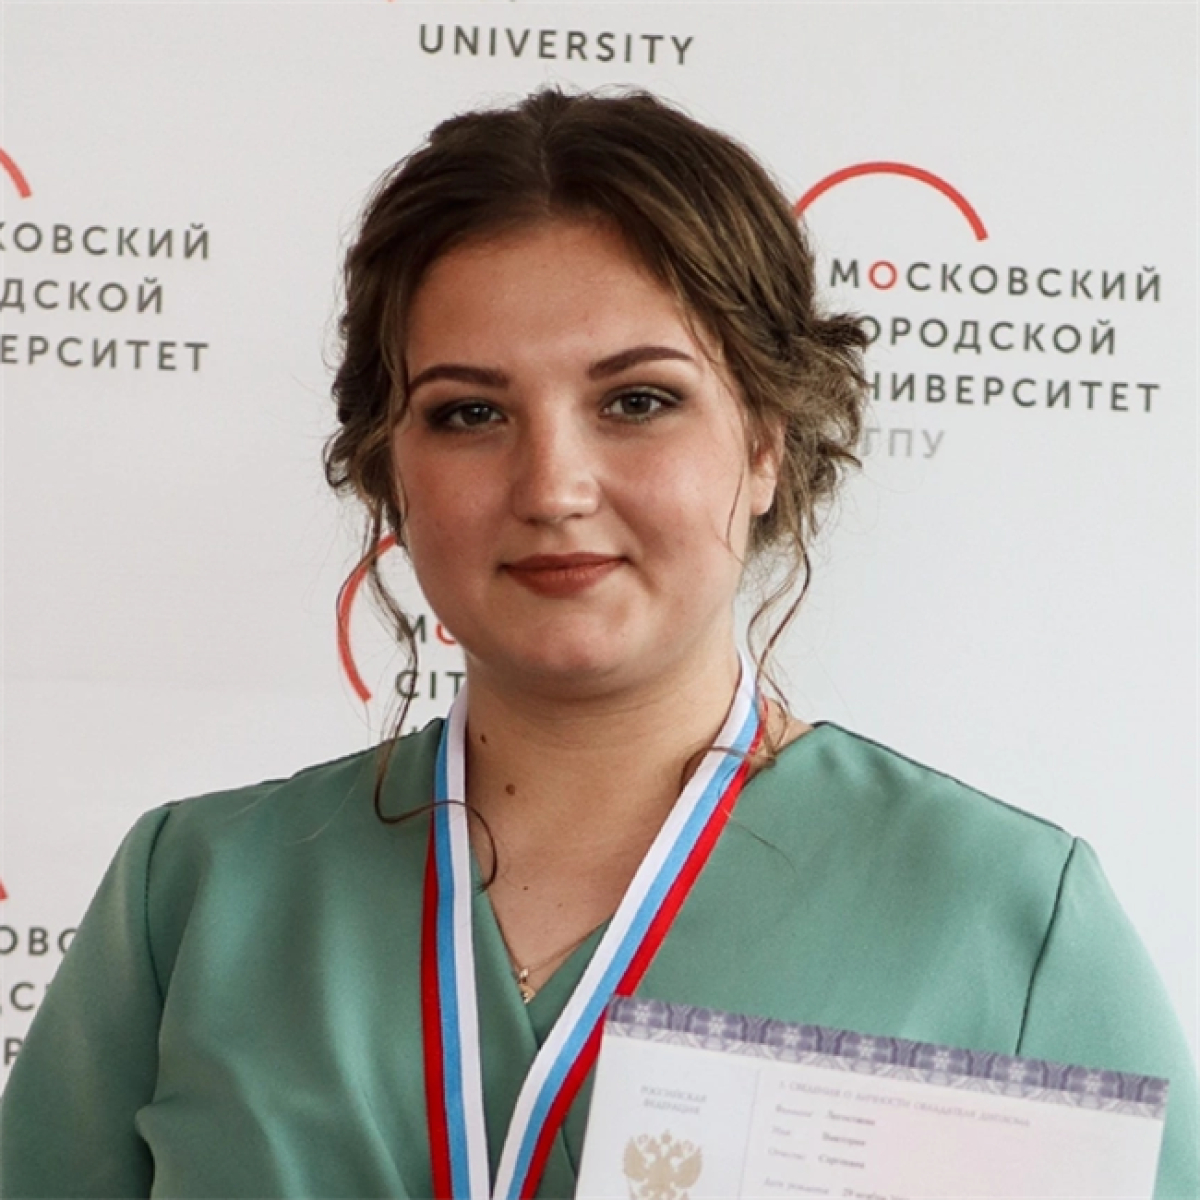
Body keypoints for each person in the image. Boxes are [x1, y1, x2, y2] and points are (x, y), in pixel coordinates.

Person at [0, 88, 1195, 1199]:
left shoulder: (1007, 924)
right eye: (470, 413)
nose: (553, 486)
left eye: (637, 401)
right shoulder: (193, 897)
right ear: (389, 472)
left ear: (766, 442)